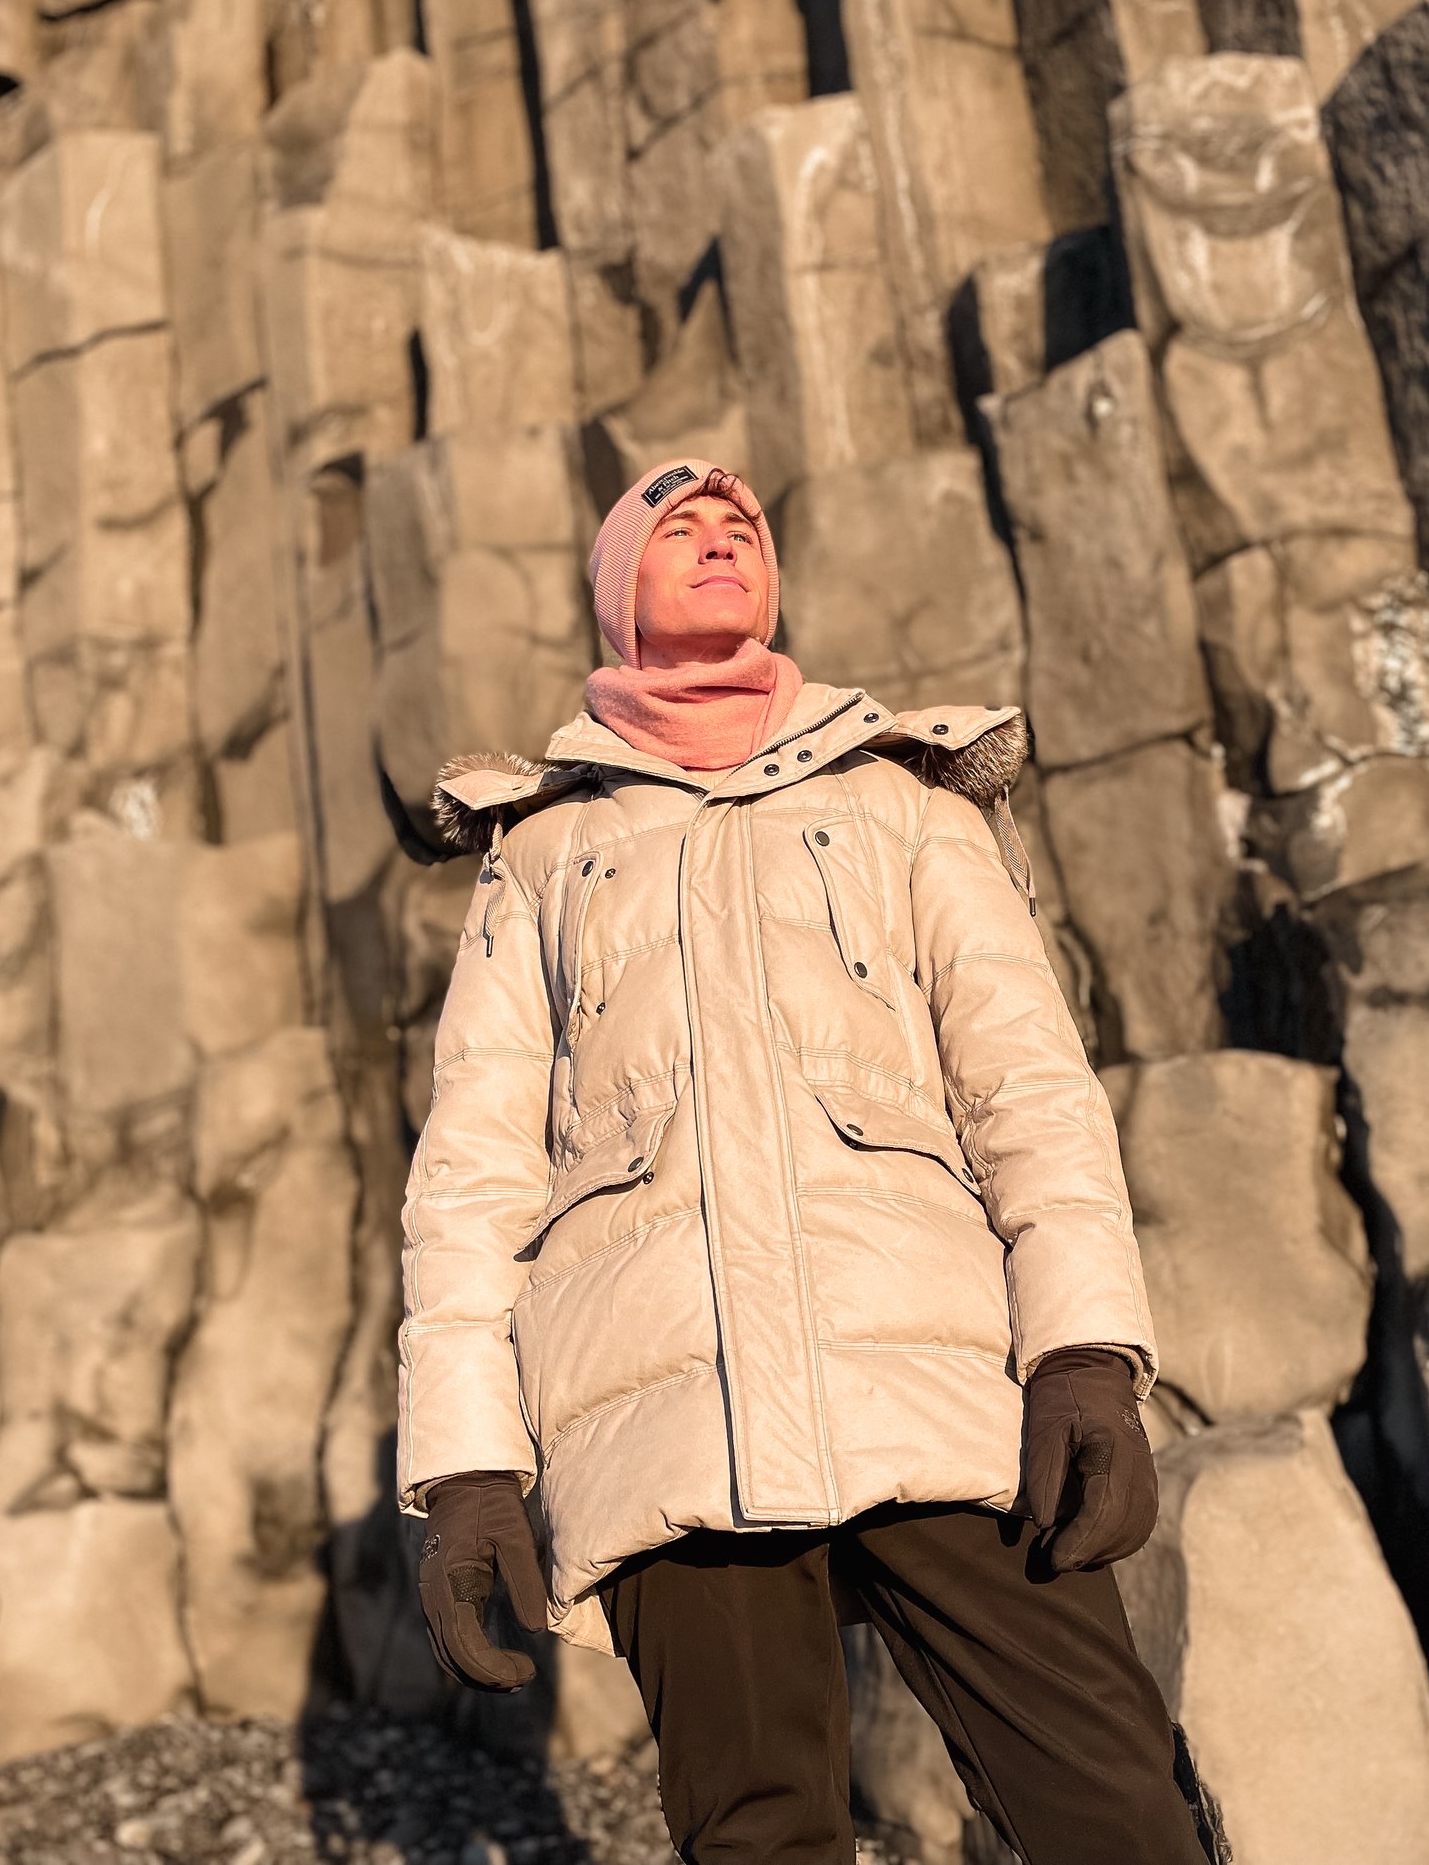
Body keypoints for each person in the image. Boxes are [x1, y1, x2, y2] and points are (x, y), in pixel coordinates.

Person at [398, 457, 1207, 1864]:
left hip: (943, 1390)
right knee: (760, 1840)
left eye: (741, 529)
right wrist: (468, 1470)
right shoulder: (543, 852)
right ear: (617, 596)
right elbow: (469, 1180)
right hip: (662, 1419)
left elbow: (1031, 1091)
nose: (718, 542)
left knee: (1117, 1809)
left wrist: (1086, 1358)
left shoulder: (909, 801)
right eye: (678, 531)